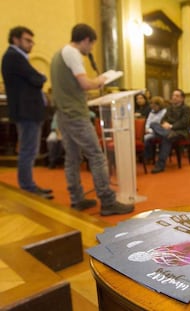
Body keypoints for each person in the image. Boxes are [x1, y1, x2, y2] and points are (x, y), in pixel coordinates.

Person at [50, 23, 134, 215]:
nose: (91, 49)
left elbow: (69, 87)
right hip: (76, 115)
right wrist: (101, 80)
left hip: (63, 114)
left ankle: (77, 198)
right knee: (97, 156)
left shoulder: (57, 55)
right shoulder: (73, 53)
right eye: (92, 45)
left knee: (72, 158)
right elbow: (85, 83)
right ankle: (107, 201)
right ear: (86, 40)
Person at [1, 26, 53, 200]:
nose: (31, 44)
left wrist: (39, 77)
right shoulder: (13, 57)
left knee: (30, 150)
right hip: (26, 111)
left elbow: (35, 78)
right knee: (28, 151)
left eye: (32, 41)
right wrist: (41, 77)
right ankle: (28, 187)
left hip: (29, 111)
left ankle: (30, 184)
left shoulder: (18, 57)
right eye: (27, 40)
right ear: (15, 39)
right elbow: (37, 79)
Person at [149, 89, 190, 174]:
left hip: (180, 132)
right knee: (153, 124)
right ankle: (167, 134)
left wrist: (171, 126)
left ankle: (160, 165)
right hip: (168, 131)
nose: (174, 97)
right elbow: (162, 120)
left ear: (182, 98)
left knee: (167, 138)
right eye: (173, 95)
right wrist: (164, 124)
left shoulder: (187, 109)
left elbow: (184, 123)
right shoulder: (169, 108)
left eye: (177, 96)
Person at [143, 96, 167, 161]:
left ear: (159, 105)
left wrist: (150, 131)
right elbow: (148, 122)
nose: (153, 107)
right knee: (142, 138)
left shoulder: (164, 112)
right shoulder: (152, 112)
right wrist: (146, 129)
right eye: (152, 105)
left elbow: (159, 124)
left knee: (146, 138)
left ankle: (148, 157)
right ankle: (146, 156)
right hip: (149, 131)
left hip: (159, 132)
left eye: (155, 105)